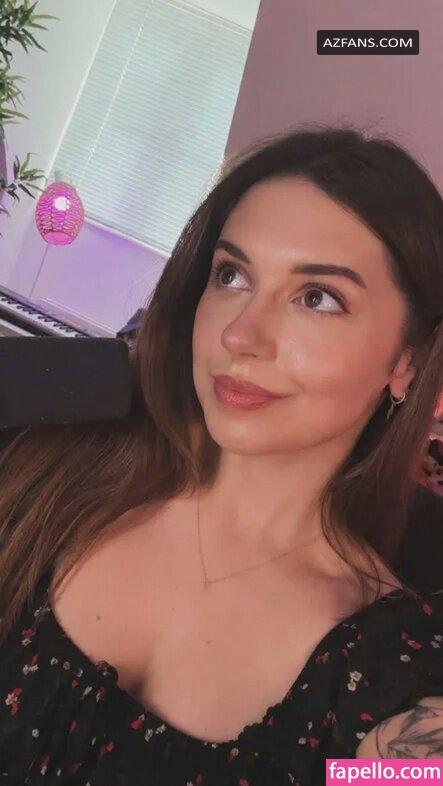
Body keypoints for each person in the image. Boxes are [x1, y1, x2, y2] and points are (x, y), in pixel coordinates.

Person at [0, 125, 442, 786]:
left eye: (317, 298)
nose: (240, 334)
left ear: (407, 361)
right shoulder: (46, 466)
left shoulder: (389, 673)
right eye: (231, 275)